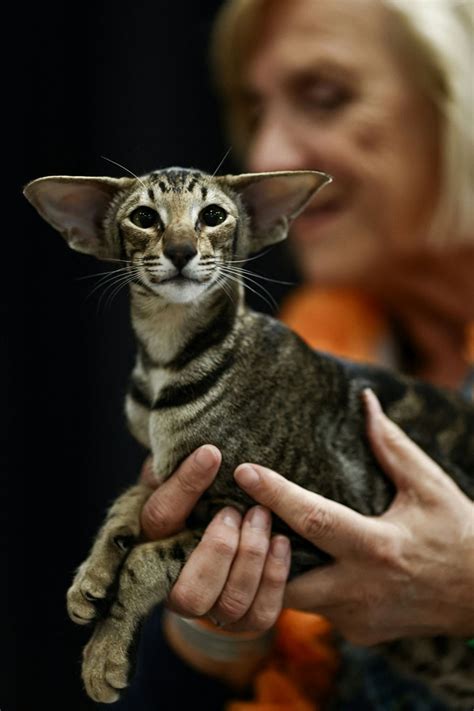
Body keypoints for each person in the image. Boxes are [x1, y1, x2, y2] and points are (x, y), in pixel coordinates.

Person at [118, 0, 474, 708]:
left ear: (459, 102)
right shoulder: (284, 364)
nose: (269, 155)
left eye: (326, 98)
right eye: (255, 113)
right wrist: (213, 633)